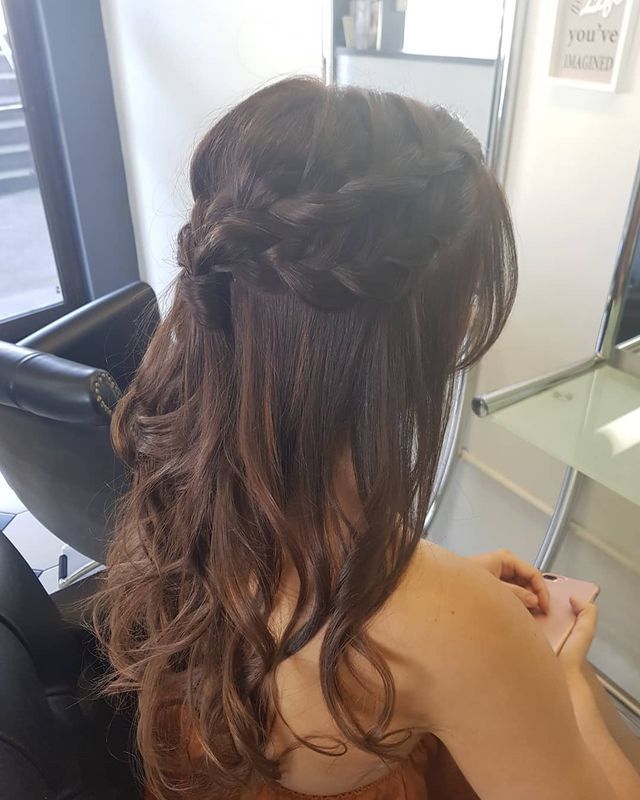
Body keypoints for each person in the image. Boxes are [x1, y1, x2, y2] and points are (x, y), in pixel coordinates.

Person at [92, 77, 640, 799]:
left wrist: (448, 592)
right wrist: (562, 685)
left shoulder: (179, 508)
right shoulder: (463, 636)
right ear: (426, 334)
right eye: (466, 300)